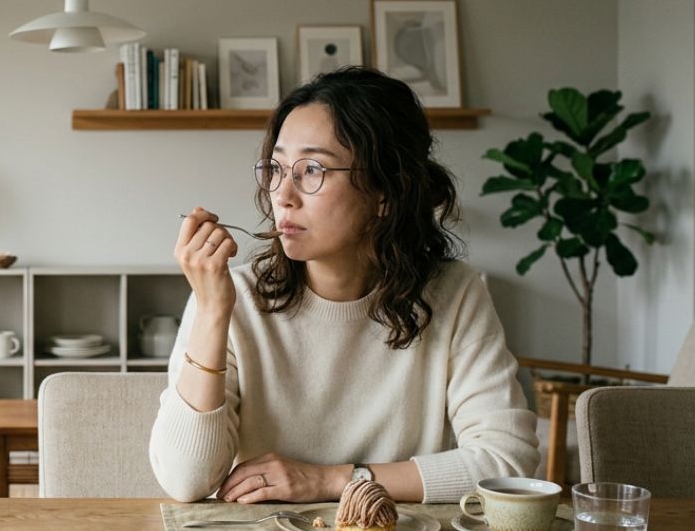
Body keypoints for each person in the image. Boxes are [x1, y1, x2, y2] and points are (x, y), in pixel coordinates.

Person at [149, 66, 539, 505]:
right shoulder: (230, 297)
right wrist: (212, 312)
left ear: (384, 193)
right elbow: (185, 481)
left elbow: (507, 462)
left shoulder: (455, 293)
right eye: (276, 168)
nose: (283, 194)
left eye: (312, 169)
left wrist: (332, 481)